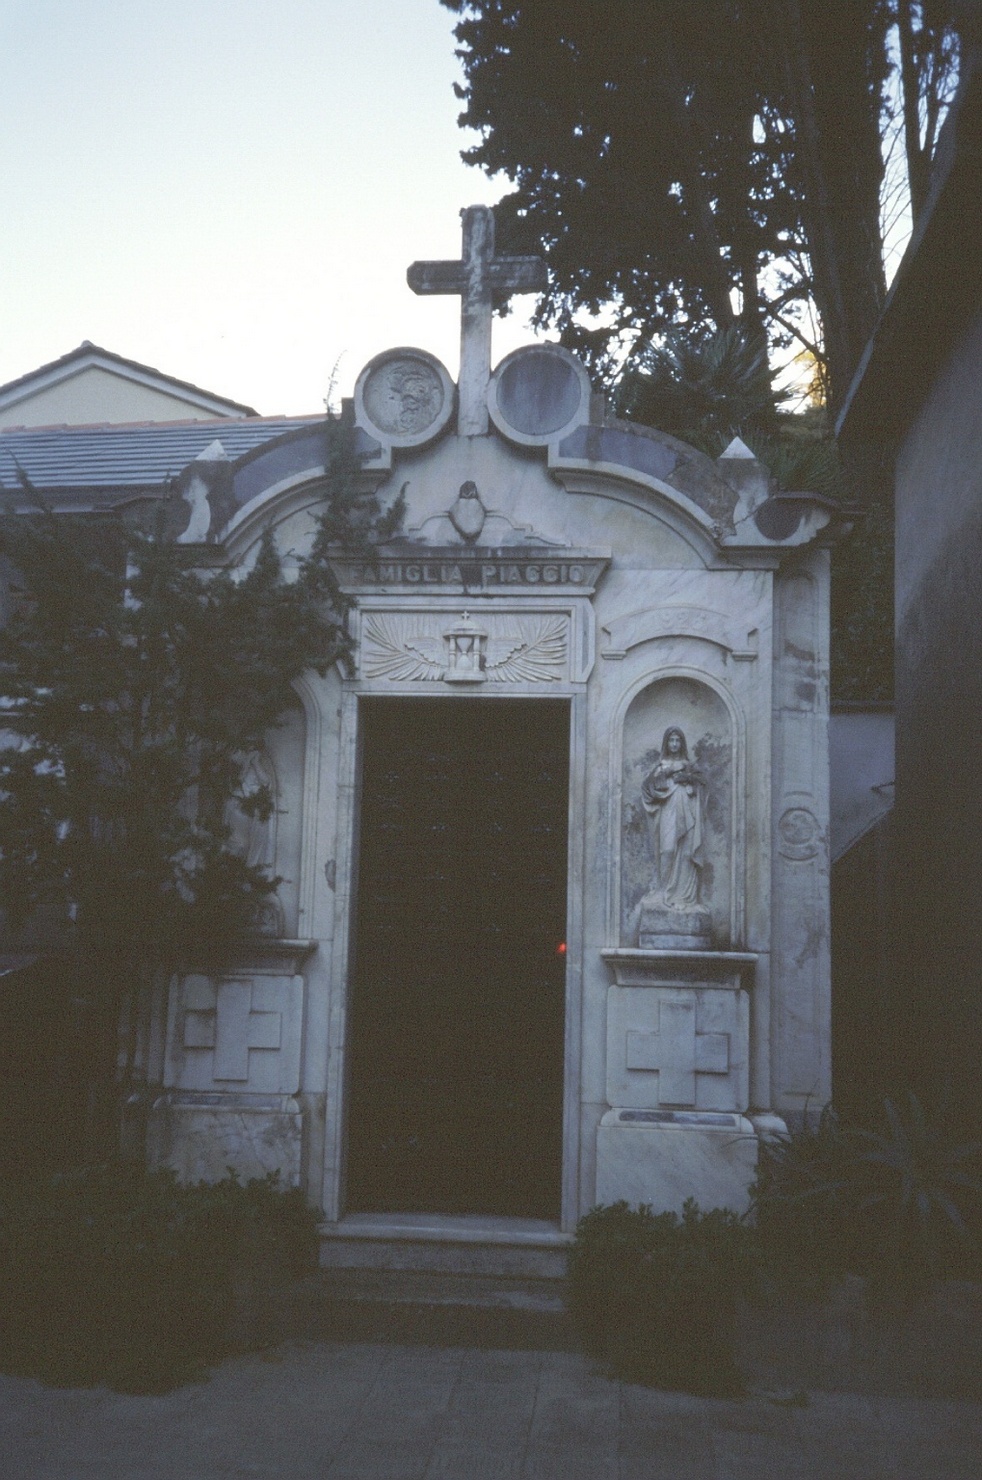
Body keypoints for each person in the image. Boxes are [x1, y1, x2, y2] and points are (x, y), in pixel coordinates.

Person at [641, 727, 704, 909]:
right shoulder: (661, 765)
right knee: (667, 850)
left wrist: (689, 779)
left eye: (677, 740)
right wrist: (667, 773)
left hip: (688, 809)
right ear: (666, 743)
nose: (674, 744)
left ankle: (683, 897)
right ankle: (663, 891)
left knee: (686, 852)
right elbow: (648, 788)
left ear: (681, 743)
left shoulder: (689, 765)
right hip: (668, 810)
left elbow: (702, 785)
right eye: (671, 740)